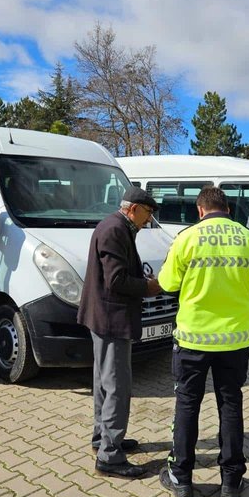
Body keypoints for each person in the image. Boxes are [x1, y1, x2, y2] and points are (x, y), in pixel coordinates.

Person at [157, 186, 249, 497]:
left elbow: (167, 283)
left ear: (200, 210)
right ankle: (231, 481)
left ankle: (181, 478)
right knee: (230, 405)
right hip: (235, 340)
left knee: (187, 406)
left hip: (193, 338)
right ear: (228, 209)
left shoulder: (187, 238)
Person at [77, 186, 162, 478]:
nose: (149, 219)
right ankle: (110, 457)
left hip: (103, 317)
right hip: (111, 318)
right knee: (117, 386)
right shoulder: (115, 229)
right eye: (147, 212)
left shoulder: (115, 226)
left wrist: (140, 277)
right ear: (132, 208)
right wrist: (149, 286)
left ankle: (103, 438)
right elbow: (116, 280)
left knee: (104, 382)